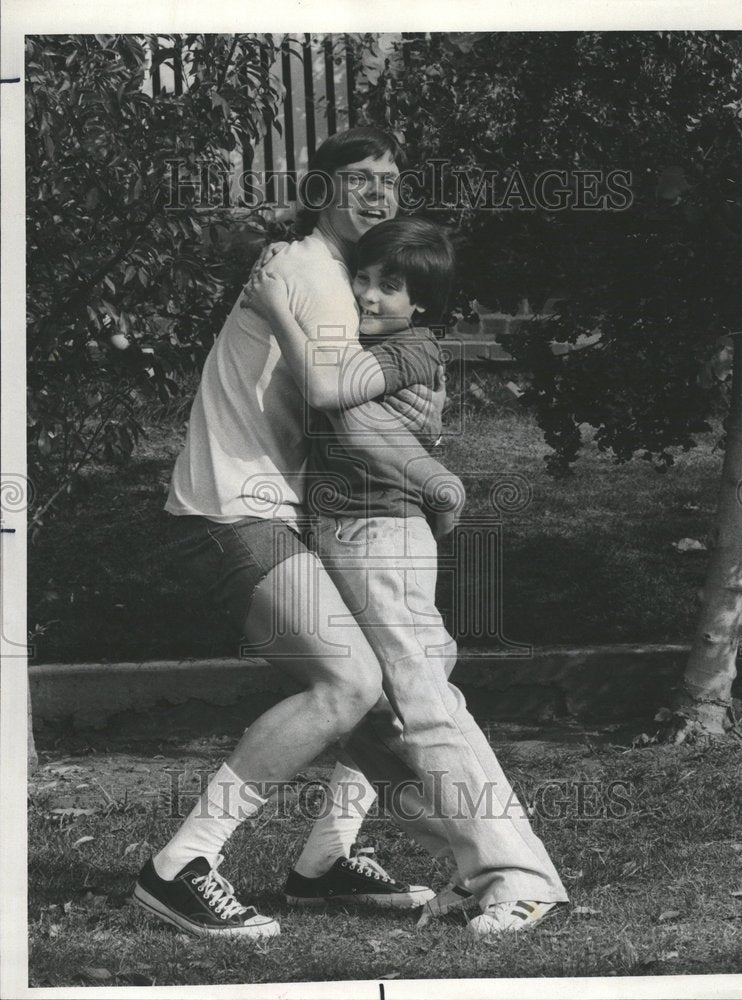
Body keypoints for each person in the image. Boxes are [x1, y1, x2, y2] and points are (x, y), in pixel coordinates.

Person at [133, 127, 462, 939]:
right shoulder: (307, 270)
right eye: (358, 178)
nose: (378, 192)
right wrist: (430, 472)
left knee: (386, 678)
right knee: (347, 682)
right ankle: (182, 864)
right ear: (322, 190)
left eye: (390, 178)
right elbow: (334, 403)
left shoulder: (343, 276)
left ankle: (322, 864)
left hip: (272, 505)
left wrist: (423, 399)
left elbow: (367, 394)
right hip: (229, 509)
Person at [243, 213, 569, 937]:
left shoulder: (412, 348)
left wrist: (275, 308)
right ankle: (474, 868)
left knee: (425, 708)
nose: (367, 294)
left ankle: (522, 879)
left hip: (380, 535)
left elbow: (329, 392)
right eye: (362, 277)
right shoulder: (379, 345)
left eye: (390, 286)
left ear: (422, 303)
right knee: (375, 720)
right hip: (347, 533)